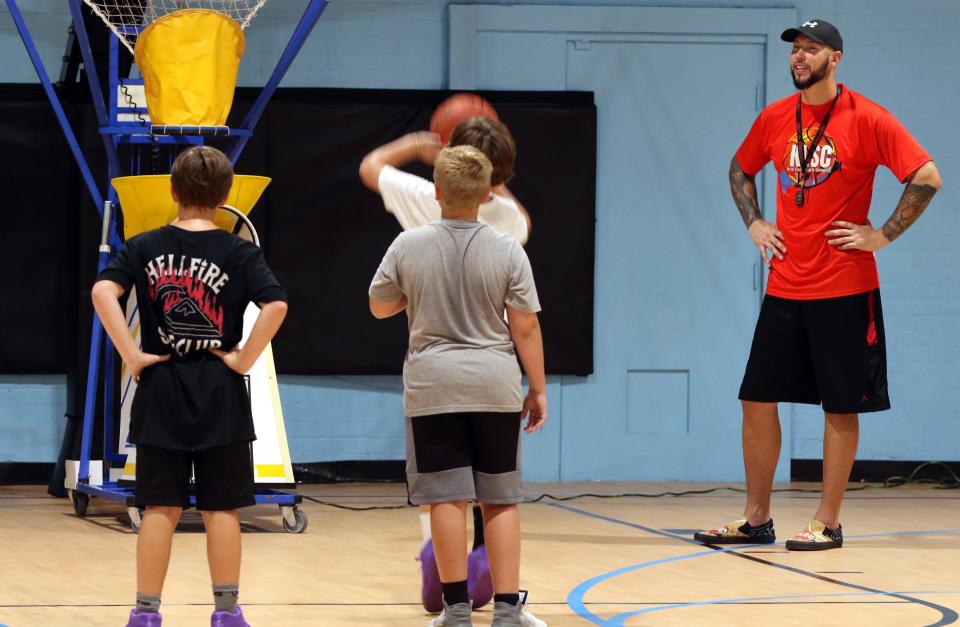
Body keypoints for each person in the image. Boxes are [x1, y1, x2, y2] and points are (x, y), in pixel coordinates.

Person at [694, 19, 941, 550]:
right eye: (796, 50)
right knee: (756, 398)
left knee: (839, 405)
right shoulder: (776, 117)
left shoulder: (869, 118)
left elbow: (927, 177)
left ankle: (828, 521)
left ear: (836, 59)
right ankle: (756, 517)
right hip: (786, 286)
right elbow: (739, 170)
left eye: (811, 49)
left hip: (845, 288)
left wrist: (881, 236)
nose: (799, 58)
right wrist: (754, 222)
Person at [92, 146, 289, 625]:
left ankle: (145, 613)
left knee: (160, 506)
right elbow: (277, 306)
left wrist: (132, 354)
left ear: (173, 192)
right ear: (224, 198)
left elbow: (102, 291)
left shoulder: (144, 244)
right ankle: (226, 612)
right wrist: (243, 359)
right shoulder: (240, 251)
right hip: (220, 389)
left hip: (161, 389)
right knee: (223, 507)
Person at [361, 115, 544, 624]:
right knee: (501, 500)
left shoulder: (410, 241)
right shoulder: (510, 238)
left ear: (438, 190)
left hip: (434, 383)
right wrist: (540, 388)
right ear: (490, 188)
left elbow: (379, 306)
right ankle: (508, 608)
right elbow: (525, 326)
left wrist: (410, 293)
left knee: (446, 497)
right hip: (495, 381)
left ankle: (456, 607)